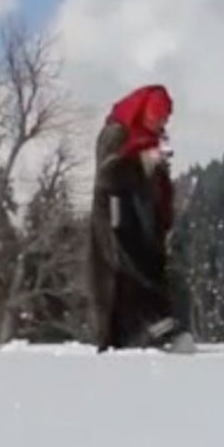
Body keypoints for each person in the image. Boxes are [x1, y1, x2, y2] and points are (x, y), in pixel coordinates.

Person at [89, 85, 194, 353]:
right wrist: (141, 163)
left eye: (164, 118)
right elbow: (108, 175)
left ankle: (149, 325)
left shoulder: (150, 138)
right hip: (118, 213)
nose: (160, 122)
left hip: (142, 217)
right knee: (124, 270)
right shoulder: (117, 132)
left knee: (146, 267)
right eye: (157, 116)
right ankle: (132, 330)